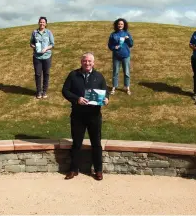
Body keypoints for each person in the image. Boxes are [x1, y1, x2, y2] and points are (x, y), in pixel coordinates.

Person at [62, 53, 109, 181]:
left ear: (93, 63)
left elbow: (105, 91)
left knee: (96, 143)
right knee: (76, 143)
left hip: (94, 115)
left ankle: (98, 170)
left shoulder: (99, 77)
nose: (87, 63)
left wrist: (106, 99)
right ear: (81, 62)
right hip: (78, 115)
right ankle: (73, 169)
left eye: (89, 61)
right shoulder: (73, 75)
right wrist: (77, 99)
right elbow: (65, 91)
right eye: (85, 61)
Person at [30, 16, 55, 99]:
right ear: (38, 23)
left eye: (43, 22)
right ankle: (38, 92)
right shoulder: (34, 32)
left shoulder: (49, 32)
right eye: (41, 22)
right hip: (37, 57)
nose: (42, 23)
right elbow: (31, 43)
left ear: (46, 24)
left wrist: (46, 48)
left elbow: (52, 44)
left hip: (47, 56)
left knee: (46, 74)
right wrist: (35, 47)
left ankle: (44, 92)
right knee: (38, 74)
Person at [108, 18, 134, 95]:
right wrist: (113, 47)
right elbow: (109, 44)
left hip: (126, 55)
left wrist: (128, 39)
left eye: (122, 24)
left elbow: (131, 44)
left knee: (126, 72)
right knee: (115, 72)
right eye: (119, 24)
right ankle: (114, 87)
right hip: (116, 56)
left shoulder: (127, 33)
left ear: (124, 25)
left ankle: (127, 87)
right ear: (116, 25)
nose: (120, 25)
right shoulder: (113, 34)